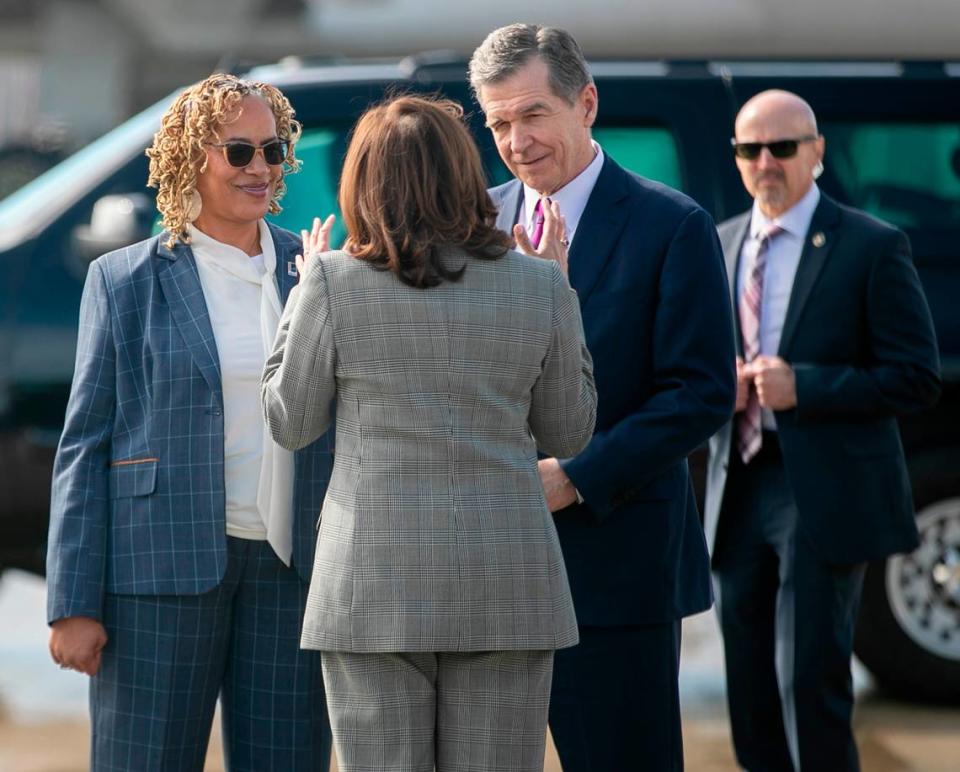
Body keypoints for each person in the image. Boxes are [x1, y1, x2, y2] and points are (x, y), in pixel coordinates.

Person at [261, 94, 596, 772]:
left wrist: (300, 299)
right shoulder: (537, 285)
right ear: (463, 174)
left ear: (364, 180)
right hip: (506, 582)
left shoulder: (331, 280)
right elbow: (570, 430)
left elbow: (290, 422)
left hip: (371, 586)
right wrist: (563, 292)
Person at [46, 73, 333, 771]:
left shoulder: (319, 268)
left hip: (293, 573)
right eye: (239, 152)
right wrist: (72, 602)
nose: (261, 167)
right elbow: (85, 443)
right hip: (157, 573)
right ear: (188, 158)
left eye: (274, 149)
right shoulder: (124, 280)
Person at [469, 23, 737, 771]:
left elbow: (701, 393)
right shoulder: (471, 224)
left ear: (585, 103)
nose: (515, 141)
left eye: (531, 114)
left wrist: (575, 479)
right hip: (482, 566)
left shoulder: (672, 225)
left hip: (617, 567)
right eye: (498, 123)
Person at [704, 89, 941, 771]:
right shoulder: (719, 244)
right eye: (751, 149)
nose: (766, 161)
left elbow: (914, 376)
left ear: (818, 153)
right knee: (747, 686)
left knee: (807, 681)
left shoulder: (870, 245)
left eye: (782, 147)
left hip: (823, 488)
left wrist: (803, 385)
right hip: (736, 483)